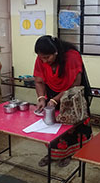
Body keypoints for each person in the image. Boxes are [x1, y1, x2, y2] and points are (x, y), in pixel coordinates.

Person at [33, 35, 92, 168]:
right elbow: (38, 80)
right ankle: (53, 154)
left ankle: (71, 154)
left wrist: (55, 100)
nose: (44, 61)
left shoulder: (71, 56)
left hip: (73, 96)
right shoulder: (41, 58)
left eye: (47, 57)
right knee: (52, 125)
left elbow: (74, 84)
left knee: (72, 126)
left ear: (56, 52)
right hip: (53, 94)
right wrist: (41, 98)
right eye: (41, 58)